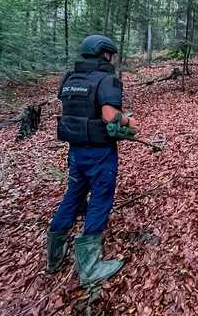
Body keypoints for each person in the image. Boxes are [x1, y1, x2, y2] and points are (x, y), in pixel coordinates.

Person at [47, 34, 139, 287]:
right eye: (110, 54)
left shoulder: (70, 79)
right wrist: (128, 121)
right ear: (104, 54)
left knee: (74, 195)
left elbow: (72, 108)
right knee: (100, 198)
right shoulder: (107, 80)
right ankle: (90, 266)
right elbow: (110, 115)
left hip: (75, 150)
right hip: (99, 151)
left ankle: (54, 255)